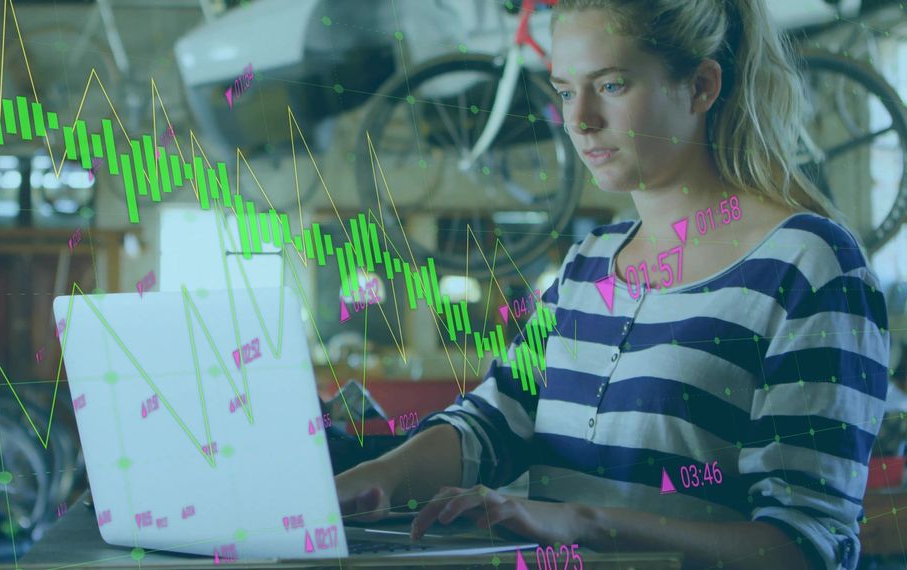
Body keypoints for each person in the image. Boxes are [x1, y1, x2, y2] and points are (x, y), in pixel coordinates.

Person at [335, 1, 891, 569]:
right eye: (565, 90)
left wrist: (586, 525)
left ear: (700, 86)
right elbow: (492, 423)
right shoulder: (588, 263)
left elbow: (806, 546)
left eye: (611, 85)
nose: (580, 120)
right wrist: (367, 480)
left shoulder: (809, 265)